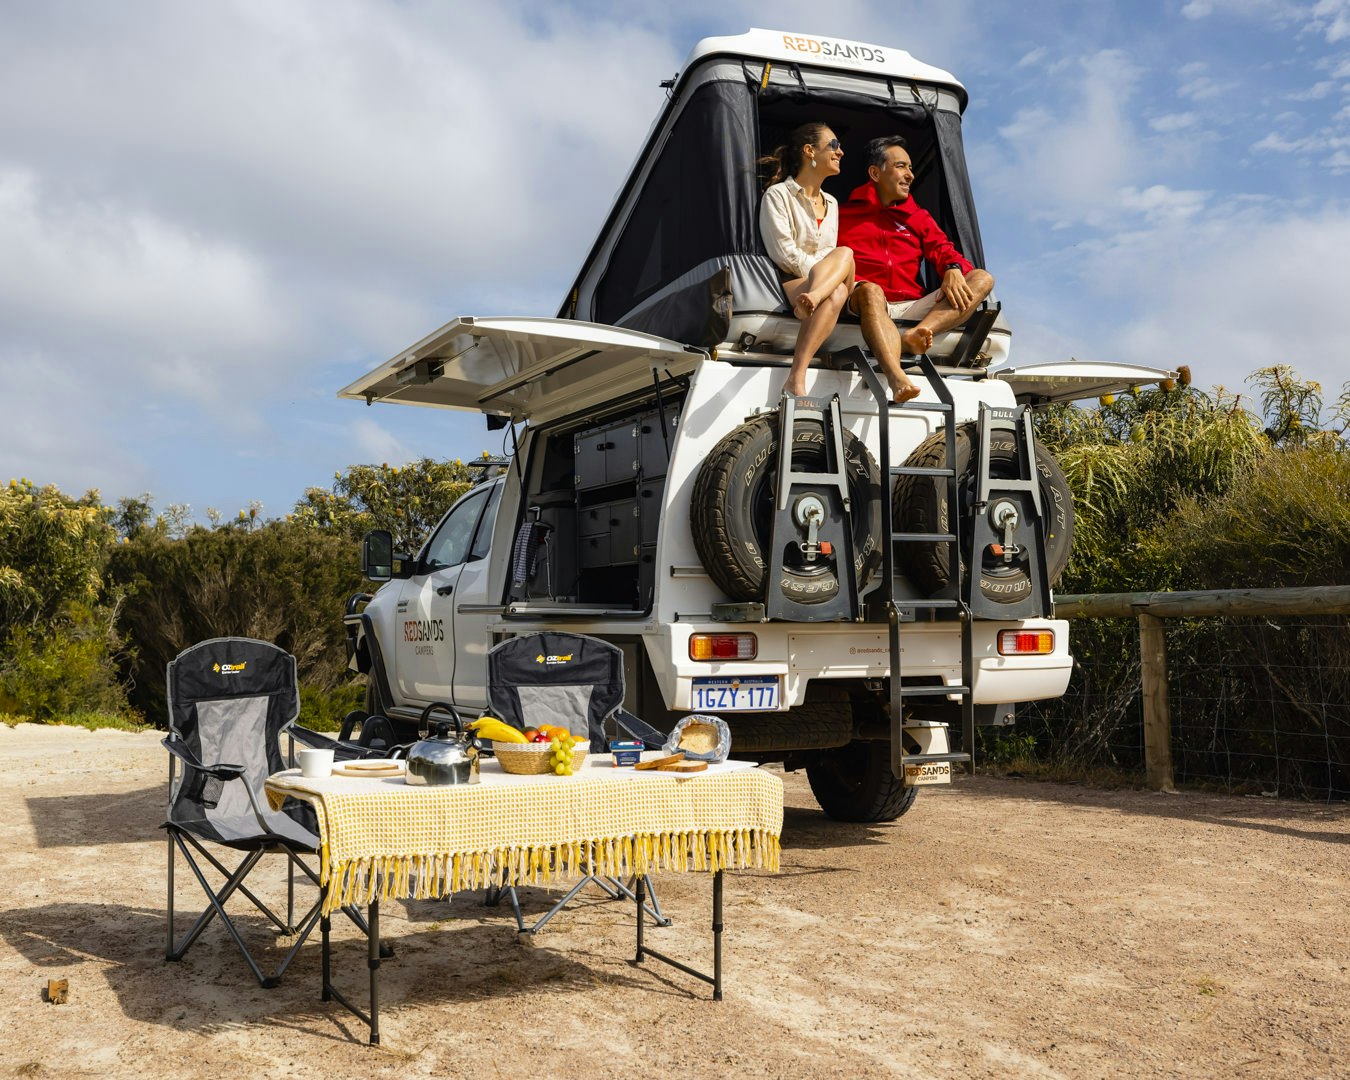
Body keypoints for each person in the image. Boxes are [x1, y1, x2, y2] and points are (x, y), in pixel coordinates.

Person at [839, 136, 994, 401]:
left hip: (911, 305)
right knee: (871, 291)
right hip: (865, 300)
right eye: (901, 166)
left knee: (982, 278)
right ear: (875, 173)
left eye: (911, 168)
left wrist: (953, 268)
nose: (910, 175)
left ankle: (919, 333)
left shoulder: (918, 216)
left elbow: (944, 249)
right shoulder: (841, 213)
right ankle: (897, 378)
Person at [758, 123, 856, 398]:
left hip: (816, 286)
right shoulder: (777, 195)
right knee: (836, 288)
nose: (841, 152)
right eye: (834, 146)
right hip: (795, 283)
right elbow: (783, 253)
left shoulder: (832, 203)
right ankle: (796, 377)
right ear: (809, 151)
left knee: (844, 253)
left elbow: (830, 253)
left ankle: (815, 297)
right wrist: (820, 277)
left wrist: (819, 280)